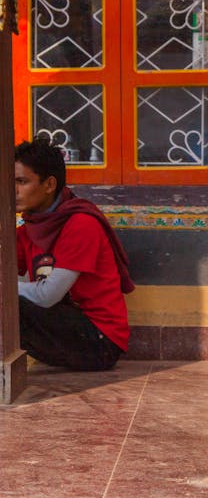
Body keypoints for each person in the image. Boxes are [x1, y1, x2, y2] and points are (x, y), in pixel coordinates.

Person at [15, 136, 133, 370]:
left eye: (21, 181)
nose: (13, 190)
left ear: (49, 185)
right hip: (68, 327)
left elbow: (47, 295)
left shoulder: (80, 224)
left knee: (7, 305)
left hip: (100, 342)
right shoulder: (28, 229)